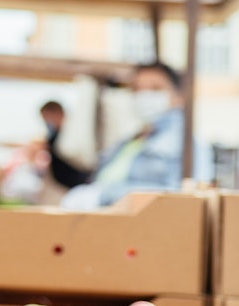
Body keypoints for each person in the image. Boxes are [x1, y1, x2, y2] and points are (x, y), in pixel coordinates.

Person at [61, 63, 214, 210]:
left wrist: (104, 195)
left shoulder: (186, 143)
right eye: (137, 89)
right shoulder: (133, 138)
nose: (144, 96)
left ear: (178, 96)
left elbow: (187, 197)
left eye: (155, 89)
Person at [37, 101, 89, 190]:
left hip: (80, 179)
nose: (46, 122)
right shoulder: (54, 135)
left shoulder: (74, 132)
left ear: (58, 113)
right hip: (67, 184)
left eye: (47, 117)